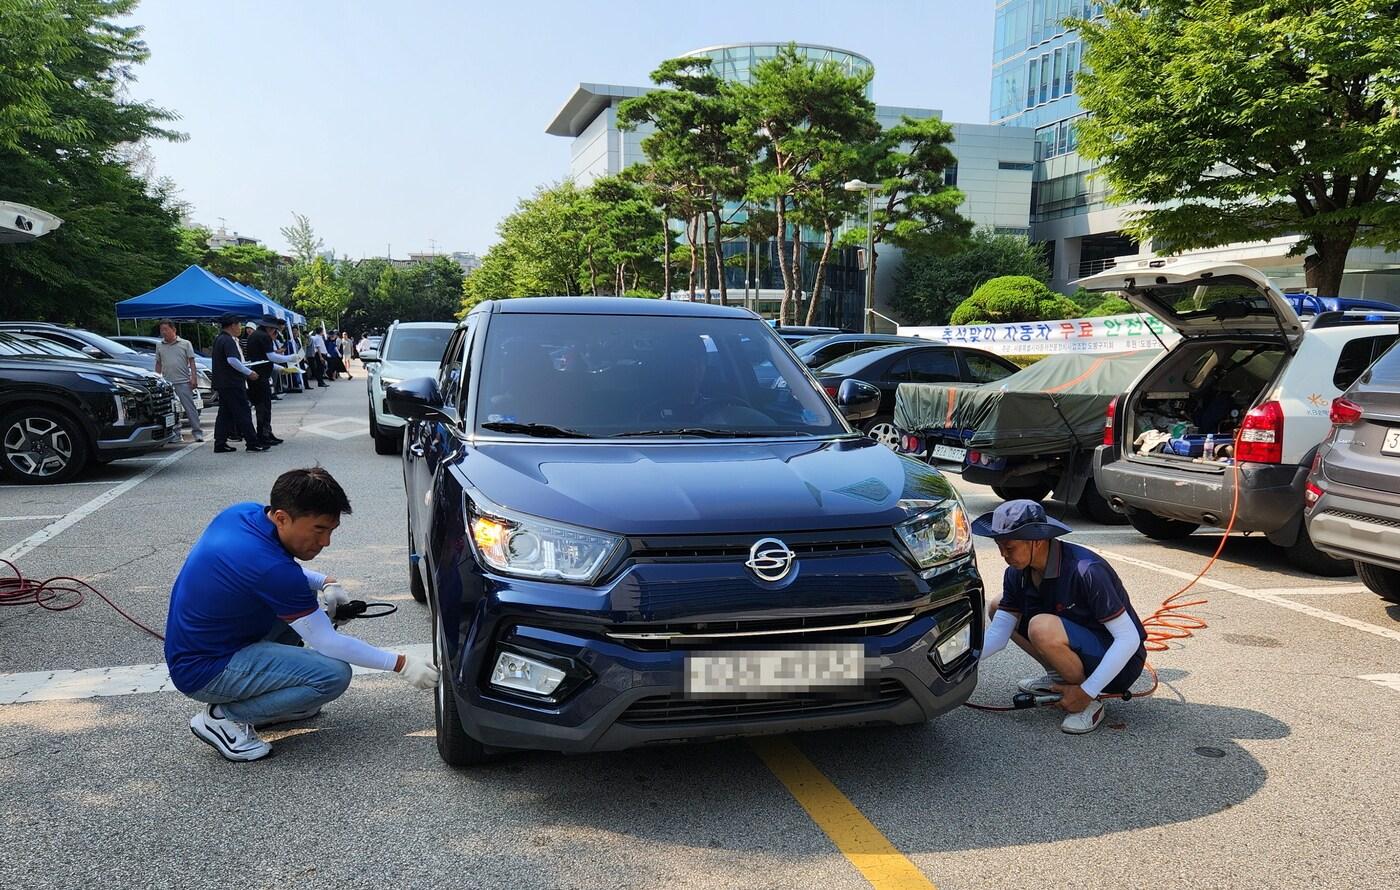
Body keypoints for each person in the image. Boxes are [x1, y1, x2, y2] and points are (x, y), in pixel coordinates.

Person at [165, 467, 439, 762]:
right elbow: (327, 643)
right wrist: (401, 664)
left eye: (331, 530)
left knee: (304, 594)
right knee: (332, 675)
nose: (325, 542)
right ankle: (223, 717)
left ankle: (274, 701)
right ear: (282, 517)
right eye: (318, 529)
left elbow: (274, 573)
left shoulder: (243, 514)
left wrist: (325, 582)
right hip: (205, 670)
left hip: (207, 644)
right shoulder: (272, 570)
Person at [973, 499, 1148, 734]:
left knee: (1040, 627)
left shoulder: (1086, 569)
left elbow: (1128, 639)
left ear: (1036, 540)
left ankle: (1087, 701)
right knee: (997, 605)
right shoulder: (1016, 573)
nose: (1003, 554)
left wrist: (1088, 691)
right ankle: (1060, 679)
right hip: (1077, 644)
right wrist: (961, 661)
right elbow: (999, 634)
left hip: (1120, 664)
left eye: (1009, 547)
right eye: (999, 546)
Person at [210, 313, 266, 453]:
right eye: (239, 324)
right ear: (232, 325)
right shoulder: (228, 340)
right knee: (243, 412)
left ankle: (220, 443)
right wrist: (249, 372)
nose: (240, 328)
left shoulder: (219, 339)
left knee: (225, 413)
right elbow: (232, 361)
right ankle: (252, 443)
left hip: (223, 383)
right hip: (232, 382)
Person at [245, 317, 299, 447]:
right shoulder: (264, 337)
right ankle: (264, 434)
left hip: (258, 374)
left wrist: (281, 368)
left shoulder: (255, 335)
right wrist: (290, 358)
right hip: (260, 377)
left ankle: (267, 433)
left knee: (263, 406)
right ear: (270, 328)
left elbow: (264, 359)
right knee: (263, 407)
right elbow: (271, 357)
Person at [153, 319, 204, 442]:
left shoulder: (185, 343)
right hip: (167, 382)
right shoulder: (159, 345)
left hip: (183, 381)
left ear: (173, 329)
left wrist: (194, 378)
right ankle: (175, 433)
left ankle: (197, 432)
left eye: (166, 329)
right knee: (170, 410)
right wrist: (157, 378)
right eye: (161, 330)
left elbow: (191, 361)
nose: (163, 332)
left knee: (190, 408)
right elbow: (158, 363)